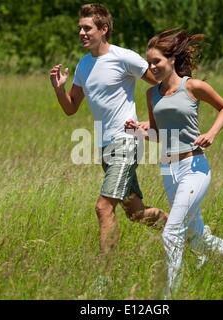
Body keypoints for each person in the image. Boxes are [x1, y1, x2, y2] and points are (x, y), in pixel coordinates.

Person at [125, 29, 223, 297]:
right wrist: (137, 130)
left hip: (194, 168)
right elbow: (157, 134)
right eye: (149, 63)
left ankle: (170, 297)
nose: (152, 67)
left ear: (172, 60)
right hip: (168, 170)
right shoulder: (151, 95)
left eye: (157, 62)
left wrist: (211, 133)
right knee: (199, 239)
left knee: (171, 233)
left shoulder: (193, 86)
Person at [49, 3, 168, 256]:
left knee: (103, 207)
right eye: (80, 28)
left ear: (103, 29)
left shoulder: (123, 57)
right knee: (136, 213)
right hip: (105, 147)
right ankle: (186, 232)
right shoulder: (83, 65)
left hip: (127, 141)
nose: (82, 33)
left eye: (87, 28)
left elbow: (163, 85)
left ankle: (106, 279)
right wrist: (59, 89)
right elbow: (71, 108)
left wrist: (151, 123)